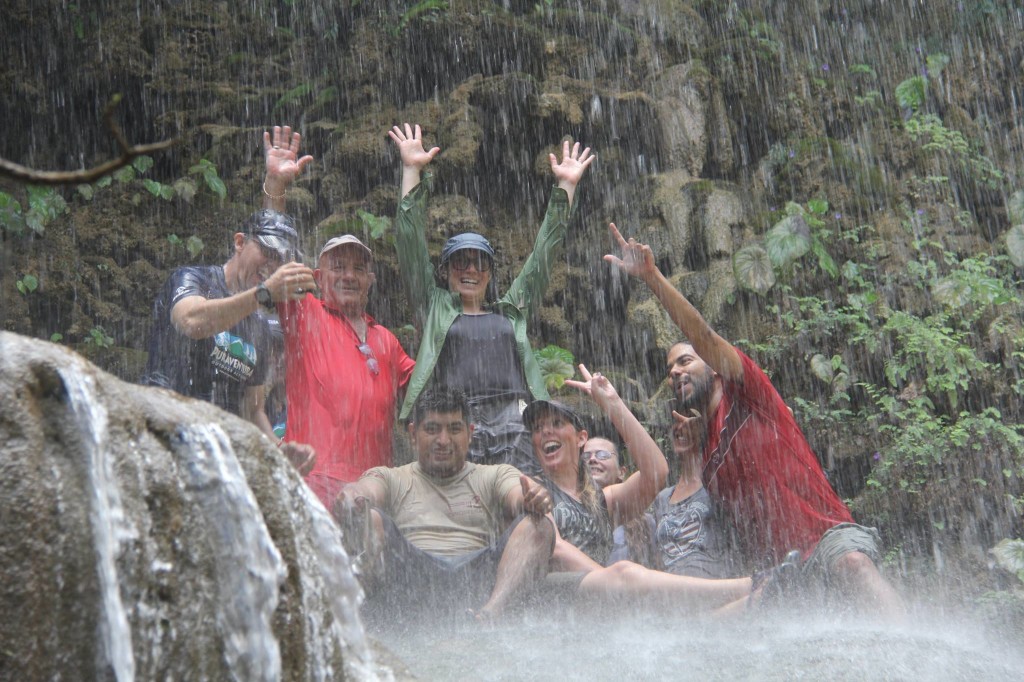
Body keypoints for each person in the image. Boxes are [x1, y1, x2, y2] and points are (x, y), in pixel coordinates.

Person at [604, 222, 905, 616]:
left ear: (712, 367)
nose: (675, 371)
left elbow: (706, 336)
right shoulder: (709, 454)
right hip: (780, 573)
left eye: (685, 360)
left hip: (824, 537)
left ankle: (911, 646)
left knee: (853, 564)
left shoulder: (750, 394)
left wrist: (651, 277)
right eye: (669, 368)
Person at [388, 123, 594, 476]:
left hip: (512, 419)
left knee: (522, 505)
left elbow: (544, 254)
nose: (470, 269)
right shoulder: (434, 305)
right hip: (456, 422)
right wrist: (411, 170)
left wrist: (566, 187)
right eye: (460, 261)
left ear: (489, 272)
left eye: (480, 261)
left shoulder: (511, 310)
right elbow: (409, 244)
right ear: (445, 270)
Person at [142, 125, 316, 474]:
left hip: (217, 455)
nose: (272, 264)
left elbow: (252, 410)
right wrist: (264, 294)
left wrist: (278, 452)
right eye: (265, 251)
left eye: (280, 259)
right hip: (161, 431)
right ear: (239, 242)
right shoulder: (193, 279)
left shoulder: (263, 327)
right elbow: (192, 322)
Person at [524, 368, 758, 613]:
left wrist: (612, 403)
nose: (546, 432)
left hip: (595, 604)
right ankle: (750, 585)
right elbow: (556, 549)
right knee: (628, 574)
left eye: (557, 423)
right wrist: (615, 583)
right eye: (538, 428)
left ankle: (764, 594)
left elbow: (656, 473)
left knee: (702, 622)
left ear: (581, 438)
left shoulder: (603, 500)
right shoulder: (531, 487)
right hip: (549, 596)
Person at [332, 387, 555, 620]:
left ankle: (490, 617)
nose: (443, 440)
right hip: (410, 579)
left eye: (454, 429)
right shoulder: (391, 477)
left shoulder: (494, 474)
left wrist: (534, 498)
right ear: (413, 433)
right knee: (368, 518)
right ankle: (360, 622)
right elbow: (365, 489)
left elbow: (518, 492)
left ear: (470, 433)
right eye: (432, 429)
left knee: (538, 525)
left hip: (478, 576)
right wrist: (352, 496)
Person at [276, 233, 416, 507]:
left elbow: (425, 387)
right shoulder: (305, 313)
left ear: (370, 281)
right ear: (317, 277)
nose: (349, 276)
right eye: (338, 267)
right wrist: (275, 192)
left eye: (359, 269)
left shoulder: (387, 340)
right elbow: (279, 257)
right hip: (314, 479)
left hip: (375, 486)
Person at [583, 436, 658, 568]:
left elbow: (656, 473)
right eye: (585, 456)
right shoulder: (568, 511)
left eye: (602, 455)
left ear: (621, 472)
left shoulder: (646, 523)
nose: (592, 459)